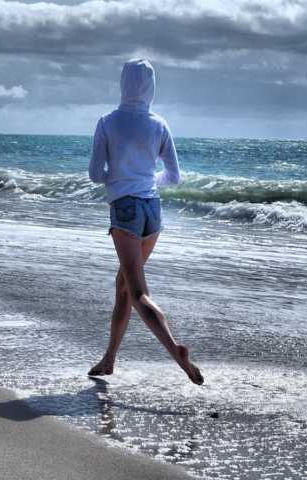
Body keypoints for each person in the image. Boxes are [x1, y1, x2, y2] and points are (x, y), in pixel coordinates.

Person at [87, 59, 203, 385]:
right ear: (151, 86)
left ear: (123, 83)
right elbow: (174, 177)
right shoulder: (159, 124)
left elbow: (96, 174)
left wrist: (120, 180)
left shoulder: (108, 122)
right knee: (123, 284)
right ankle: (109, 359)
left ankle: (175, 350)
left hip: (125, 209)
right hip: (152, 210)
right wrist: (145, 179)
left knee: (138, 292)